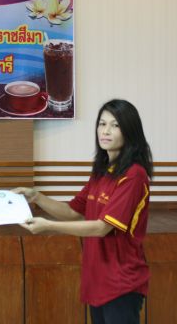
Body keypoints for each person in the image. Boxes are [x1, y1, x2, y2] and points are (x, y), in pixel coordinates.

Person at [15, 99, 153, 324]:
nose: (105, 131)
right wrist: (36, 197)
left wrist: (48, 226)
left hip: (122, 282)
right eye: (102, 124)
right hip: (97, 278)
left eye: (115, 125)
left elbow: (102, 227)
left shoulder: (134, 175)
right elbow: (72, 211)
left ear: (130, 131)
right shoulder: (101, 171)